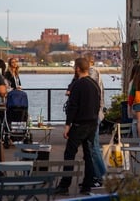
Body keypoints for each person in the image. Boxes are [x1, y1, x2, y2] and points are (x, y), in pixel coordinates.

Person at [55, 57, 100, 196]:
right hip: (92, 123)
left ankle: (64, 185)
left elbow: (72, 107)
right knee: (88, 154)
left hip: (79, 124)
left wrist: (68, 125)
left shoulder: (78, 85)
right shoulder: (94, 84)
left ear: (77, 69)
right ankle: (87, 184)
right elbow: (98, 104)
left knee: (69, 153)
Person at [85, 54, 106, 187]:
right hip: (96, 113)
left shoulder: (92, 72)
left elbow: (89, 88)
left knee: (94, 146)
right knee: (92, 146)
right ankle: (96, 175)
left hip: (94, 114)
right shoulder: (95, 72)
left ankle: (102, 176)